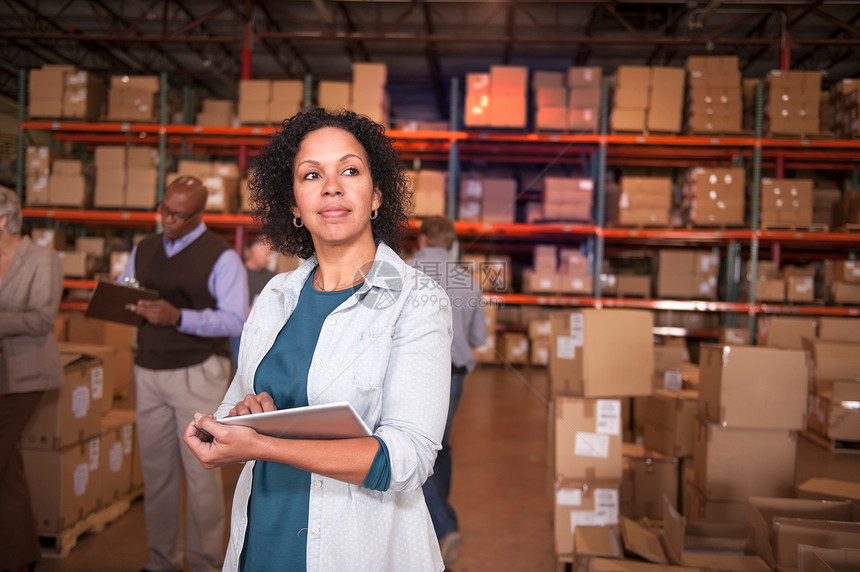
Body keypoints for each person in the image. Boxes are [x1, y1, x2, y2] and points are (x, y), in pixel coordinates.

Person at [183, 108, 453, 571]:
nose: (332, 186)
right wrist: (231, 425)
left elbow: (407, 459)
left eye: (350, 170)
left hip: (355, 551)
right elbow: (236, 402)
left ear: (376, 197)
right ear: (293, 205)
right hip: (263, 539)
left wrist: (264, 446)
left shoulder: (417, 300)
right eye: (312, 175)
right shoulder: (275, 296)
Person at [117, 176, 248, 572]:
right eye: (163, 210)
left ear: (198, 215)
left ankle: (205, 564)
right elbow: (126, 287)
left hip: (197, 373)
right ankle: (161, 561)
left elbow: (236, 320)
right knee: (156, 474)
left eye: (177, 215)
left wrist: (179, 317)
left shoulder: (221, 257)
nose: (167, 220)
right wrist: (122, 300)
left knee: (201, 475)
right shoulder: (145, 248)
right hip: (149, 370)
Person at [408, 215, 487, 566]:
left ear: (422, 240)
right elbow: (479, 339)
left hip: (413, 372)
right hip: (454, 376)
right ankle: (442, 522)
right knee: (443, 446)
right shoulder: (467, 281)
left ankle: (440, 527)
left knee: (412, 446)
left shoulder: (401, 271)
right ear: (451, 244)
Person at [0, 186, 64, 572]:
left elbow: (41, 318)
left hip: (25, 377)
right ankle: (20, 555)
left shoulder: (42, 259)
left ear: (3, 218)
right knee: (8, 468)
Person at [230, 239, 276, 374]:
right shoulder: (237, 273)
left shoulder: (273, 278)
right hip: (240, 331)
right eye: (266, 253)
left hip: (264, 332)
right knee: (239, 371)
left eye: (271, 254)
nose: (269, 258)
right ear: (255, 249)